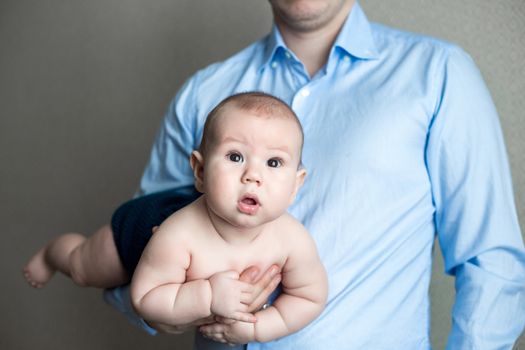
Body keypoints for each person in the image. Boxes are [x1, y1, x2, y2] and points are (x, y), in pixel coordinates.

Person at [83, 0, 525, 349]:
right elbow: (136, 240)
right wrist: (174, 306)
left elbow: (491, 262)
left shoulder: (438, 74)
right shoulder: (203, 93)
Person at [23, 92, 328, 344]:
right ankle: (54, 254)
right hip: (143, 228)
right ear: (199, 171)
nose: (253, 176)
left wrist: (258, 328)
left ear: (295, 186)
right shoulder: (178, 233)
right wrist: (206, 295)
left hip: (180, 252)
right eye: (235, 157)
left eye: (274, 162)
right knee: (83, 268)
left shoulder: (292, 240)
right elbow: (145, 297)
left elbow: (310, 297)